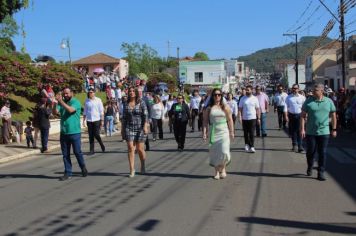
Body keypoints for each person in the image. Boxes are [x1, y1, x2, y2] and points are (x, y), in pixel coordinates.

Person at [301, 83, 337, 181]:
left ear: (321, 91)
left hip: (324, 131)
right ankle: (310, 166)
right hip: (310, 132)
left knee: (322, 152)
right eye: (313, 90)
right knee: (310, 152)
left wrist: (334, 129)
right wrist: (303, 129)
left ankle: (321, 172)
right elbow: (303, 116)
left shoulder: (329, 101)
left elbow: (333, 115)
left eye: (315, 90)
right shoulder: (308, 101)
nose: (313, 91)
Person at [53, 88, 88, 181]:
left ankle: (83, 167)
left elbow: (70, 110)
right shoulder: (61, 102)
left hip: (75, 132)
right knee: (65, 154)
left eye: (67, 93)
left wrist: (61, 101)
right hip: (64, 132)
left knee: (77, 152)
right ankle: (68, 172)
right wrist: (55, 102)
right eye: (64, 94)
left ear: (72, 93)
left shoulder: (76, 102)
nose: (65, 95)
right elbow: (55, 113)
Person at [203, 88, 234, 180]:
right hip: (214, 131)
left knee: (224, 151)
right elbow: (205, 121)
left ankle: (223, 168)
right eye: (215, 95)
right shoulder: (209, 108)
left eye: (219, 95)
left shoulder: (225, 107)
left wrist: (231, 132)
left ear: (221, 96)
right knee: (215, 152)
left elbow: (230, 120)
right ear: (212, 96)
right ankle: (216, 171)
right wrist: (204, 133)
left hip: (224, 131)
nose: (217, 96)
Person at [121, 86, 149, 178]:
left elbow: (145, 115)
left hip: (140, 128)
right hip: (129, 127)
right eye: (130, 91)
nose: (131, 92)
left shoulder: (141, 102)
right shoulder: (125, 103)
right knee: (130, 148)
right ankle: (132, 169)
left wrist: (145, 126)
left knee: (140, 149)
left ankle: (143, 165)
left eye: (133, 91)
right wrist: (122, 129)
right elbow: (124, 118)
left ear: (136, 93)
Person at [83, 88, 105, 155]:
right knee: (90, 135)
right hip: (89, 120)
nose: (90, 93)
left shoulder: (98, 100)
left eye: (92, 92)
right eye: (89, 92)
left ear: (94, 93)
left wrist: (102, 120)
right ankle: (92, 150)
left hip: (97, 119)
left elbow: (101, 111)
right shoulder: (86, 101)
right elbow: (85, 111)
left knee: (96, 134)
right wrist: (83, 120)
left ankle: (101, 143)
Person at [238, 85, 260, 153]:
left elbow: (257, 109)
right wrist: (240, 117)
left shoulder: (255, 99)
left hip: (253, 118)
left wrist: (258, 118)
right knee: (245, 133)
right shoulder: (242, 98)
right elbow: (240, 109)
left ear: (251, 90)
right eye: (246, 90)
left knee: (252, 133)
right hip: (245, 118)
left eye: (248, 90)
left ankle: (252, 146)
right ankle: (246, 144)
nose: (247, 91)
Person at [285, 84, 306, 152]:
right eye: (293, 88)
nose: (294, 89)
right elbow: (286, 107)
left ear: (298, 89)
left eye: (296, 88)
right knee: (293, 131)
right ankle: (294, 145)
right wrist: (286, 116)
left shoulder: (302, 97)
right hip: (291, 115)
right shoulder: (288, 97)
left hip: (300, 115)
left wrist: (306, 116)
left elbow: (305, 108)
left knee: (300, 131)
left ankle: (300, 146)